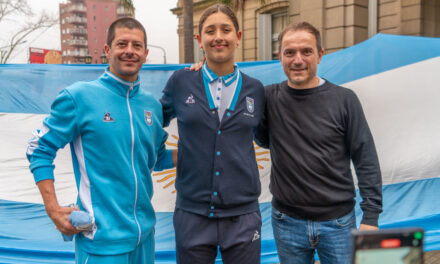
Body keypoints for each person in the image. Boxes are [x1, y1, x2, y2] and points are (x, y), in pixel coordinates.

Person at [26, 17, 174, 264]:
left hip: (145, 238)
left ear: (145, 53)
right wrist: (53, 210)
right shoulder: (79, 97)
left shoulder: (152, 106)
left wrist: (199, 151)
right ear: (107, 50)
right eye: (122, 44)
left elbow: (156, 159)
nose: (129, 51)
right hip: (101, 244)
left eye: (136, 46)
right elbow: (38, 148)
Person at [255, 21, 383, 264]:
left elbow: (365, 159)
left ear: (320, 55)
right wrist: (200, 67)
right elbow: (263, 138)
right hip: (286, 222)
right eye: (289, 52)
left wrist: (371, 216)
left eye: (306, 51)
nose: (298, 59)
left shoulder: (345, 100)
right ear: (280, 56)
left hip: (338, 224)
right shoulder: (268, 97)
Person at [160, 4, 265, 264]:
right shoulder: (180, 82)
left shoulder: (256, 90)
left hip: (243, 215)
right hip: (191, 214)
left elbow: (269, 138)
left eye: (226, 30)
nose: (218, 36)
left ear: (238, 37)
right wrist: (167, 158)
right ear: (199, 40)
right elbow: (148, 125)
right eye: (210, 31)